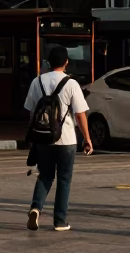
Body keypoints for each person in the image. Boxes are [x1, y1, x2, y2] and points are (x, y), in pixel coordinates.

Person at [24, 45, 92, 232]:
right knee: (64, 179)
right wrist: (87, 138)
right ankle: (60, 221)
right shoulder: (71, 84)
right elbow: (80, 114)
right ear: (66, 62)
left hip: (43, 139)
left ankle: (36, 208)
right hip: (66, 139)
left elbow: (31, 112)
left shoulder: (37, 82)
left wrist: (35, 135)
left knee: (45, 176)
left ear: (48, 62)